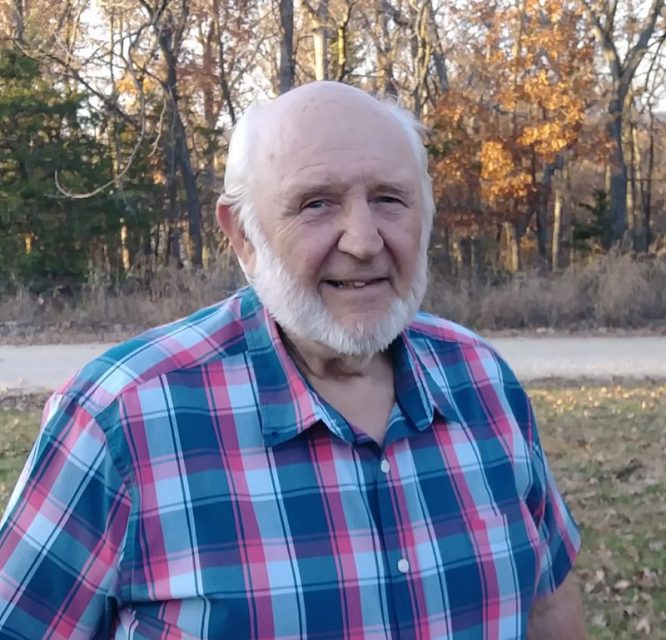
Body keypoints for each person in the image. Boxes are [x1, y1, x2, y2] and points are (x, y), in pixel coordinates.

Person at [0, 81, 586, 639]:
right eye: (315, 205)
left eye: (388, 199)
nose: (362, 240)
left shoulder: (482, 381)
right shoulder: (118, 420)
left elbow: (548, 598)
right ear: (244, 236)